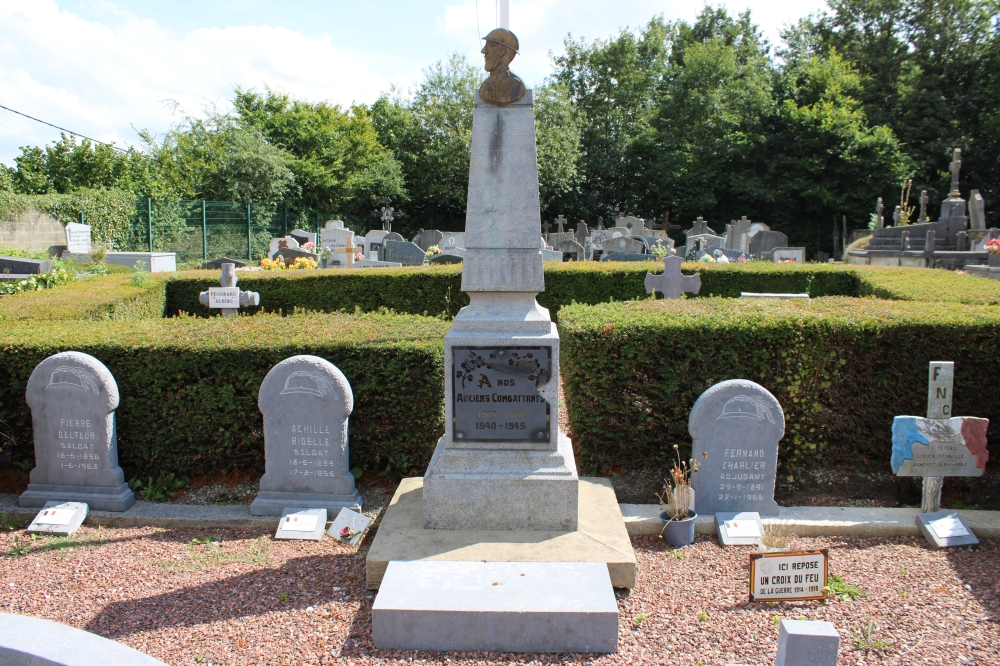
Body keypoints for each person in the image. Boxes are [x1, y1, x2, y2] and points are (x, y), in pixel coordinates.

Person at [478, 28, 525, 105]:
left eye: (490, 45)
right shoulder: (484, 87)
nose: (483, 51)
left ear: (502, 52)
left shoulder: (514, 85)